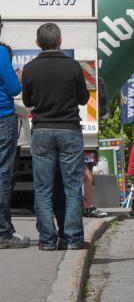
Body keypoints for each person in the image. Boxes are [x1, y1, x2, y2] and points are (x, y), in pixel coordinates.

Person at [22, 23, 90, 250]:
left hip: (41, 131)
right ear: (60, 41)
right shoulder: (73, 67)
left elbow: (29, 102)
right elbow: (83, 99)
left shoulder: (30, 69)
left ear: (38, 43)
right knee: (72, 188)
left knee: (43, 189)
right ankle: (73, 239)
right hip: (69, 130)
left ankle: (48, 240)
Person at [0, 18, 30, 249]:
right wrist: (18, 77)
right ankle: (3, 232)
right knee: (2, 175)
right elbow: (13, 88)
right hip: (2, 119)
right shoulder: (1, 52)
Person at [83, 151, 108, 218]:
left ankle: (88, 208)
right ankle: (88, 207)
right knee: (88, 177)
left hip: (87, 149)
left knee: (89, 177)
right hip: (77, 150)